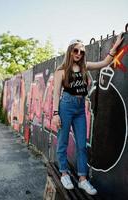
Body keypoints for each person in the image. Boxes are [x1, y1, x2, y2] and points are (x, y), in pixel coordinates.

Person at [52, 33, 123, 195]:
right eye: (76, 50)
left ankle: (83, 179)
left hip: (79, 108)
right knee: (62, 141)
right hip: (65, 107)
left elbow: (105, 62)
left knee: (82, 145)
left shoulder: (85, 66)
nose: (78, 54)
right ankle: (64, 173)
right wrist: (56, 114)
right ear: (70, 51)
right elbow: (56, 94)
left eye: (82, 52)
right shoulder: (61, 71)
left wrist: (115, 45)